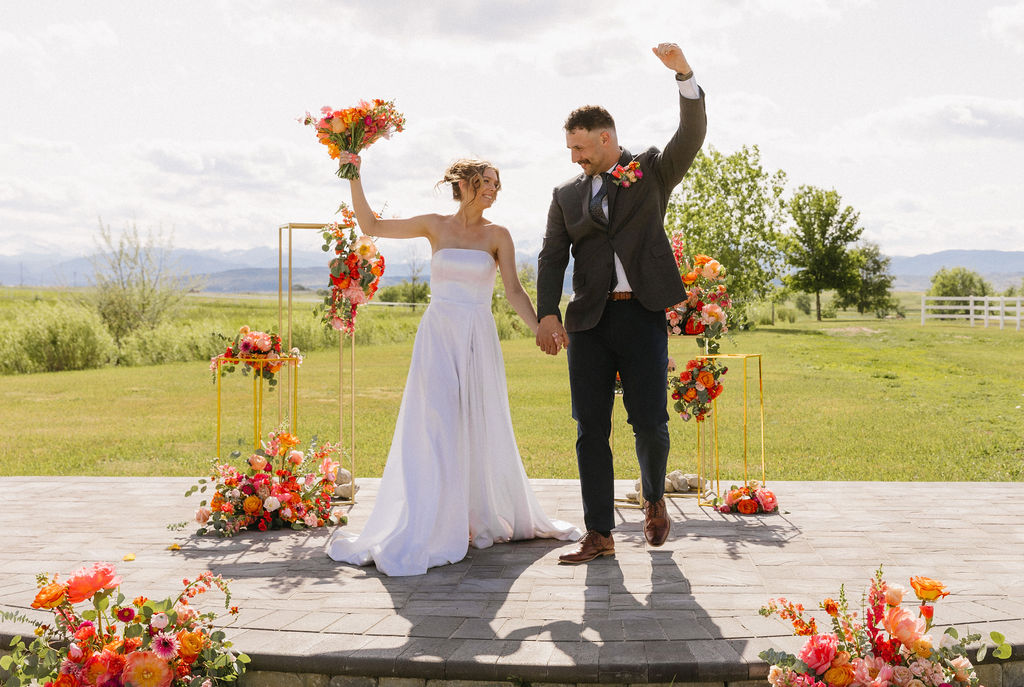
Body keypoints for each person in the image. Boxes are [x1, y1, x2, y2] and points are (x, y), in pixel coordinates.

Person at [326, 155, 581, 576]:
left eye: (497, 184)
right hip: (438, 335)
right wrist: (353, 172)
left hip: (478, 335)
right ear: (463, 184)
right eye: (485, 181)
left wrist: (542, 327)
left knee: (479, 421)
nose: (492, 190)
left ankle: (474, 515)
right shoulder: (434, 225)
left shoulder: (499, 235)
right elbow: (371, 226)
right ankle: (434, 520)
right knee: (436, 423)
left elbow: (515, 291)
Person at [535, 42, 707, 564]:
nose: (575, 157)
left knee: (651, 423)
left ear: (606, 139)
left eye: (581, 148)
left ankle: (654, 497)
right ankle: (600, 534)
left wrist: (684, 76)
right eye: (570, 149)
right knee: (591, 428)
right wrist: (546, 312)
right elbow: (550, 255)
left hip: (642, 314)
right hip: (588, 321)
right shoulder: (566, 195)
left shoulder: (652, 171)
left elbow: (691, 135)